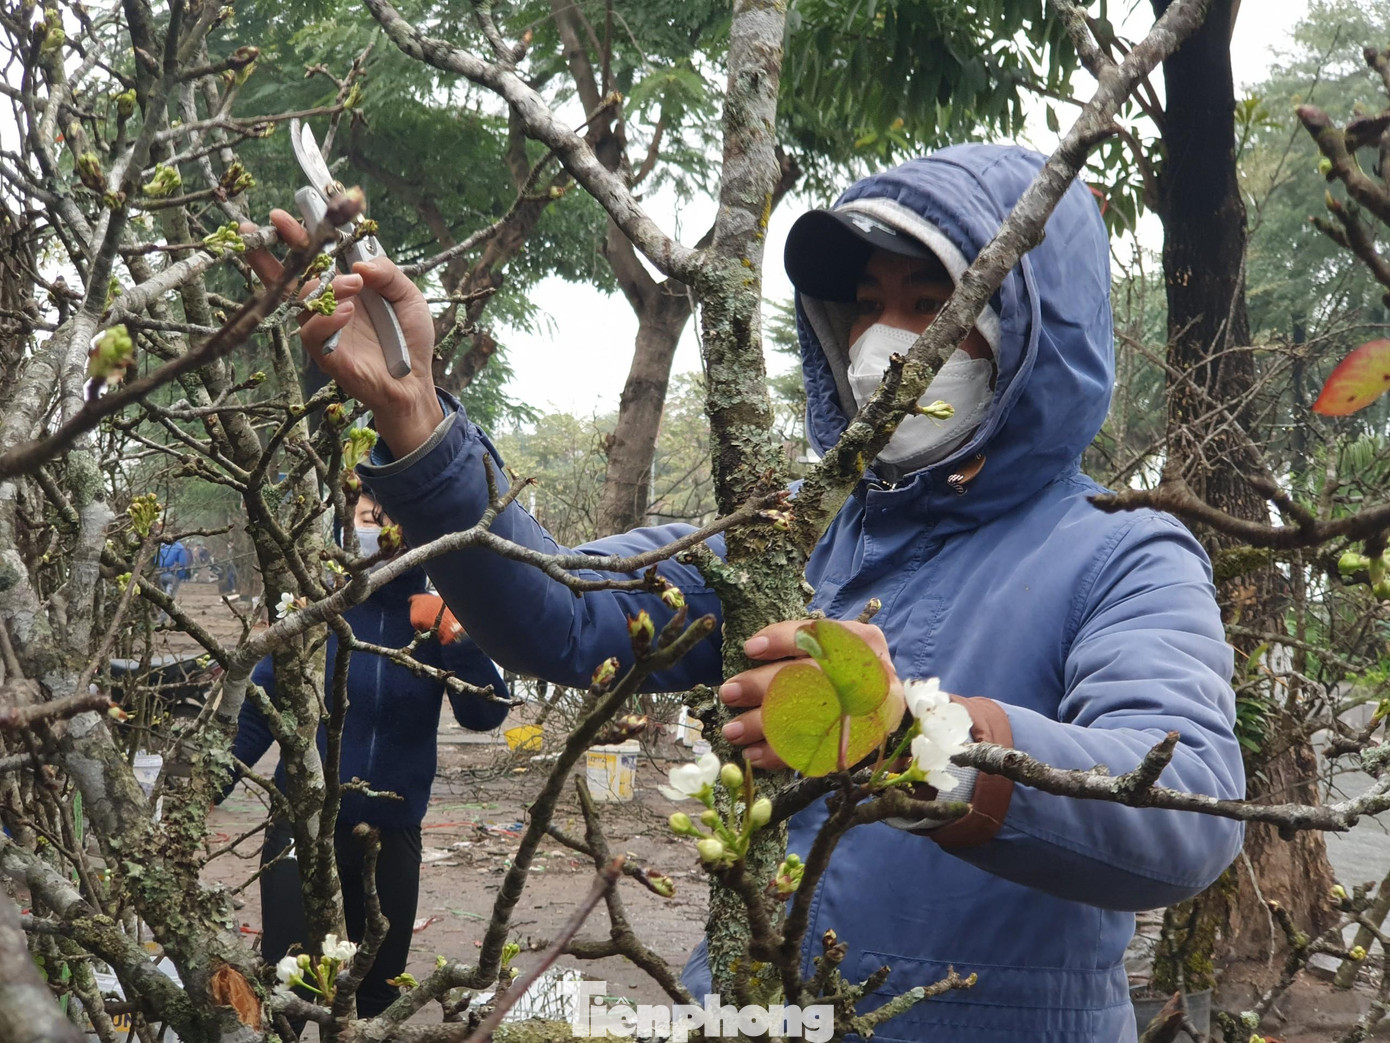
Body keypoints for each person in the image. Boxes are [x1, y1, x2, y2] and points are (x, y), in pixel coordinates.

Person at [244, 144, 1245, 1042]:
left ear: (1029, 324)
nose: (884, 339)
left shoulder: (1121, 551)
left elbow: (1188, 809)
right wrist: (420, 427)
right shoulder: (790, 533)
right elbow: (568, 611)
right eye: (867, 301)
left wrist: (917, 746)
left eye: (931, 304)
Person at [222, 491, 511, 1017]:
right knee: (288, 985)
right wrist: (194, 796)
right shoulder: (317, 613)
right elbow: (254, 716)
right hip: (303, 826)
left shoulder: (435, 617)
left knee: (376, 991)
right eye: (368, 518)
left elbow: (485, 715)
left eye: (396, 518)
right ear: (345, 529)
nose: (382, 529)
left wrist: (456, 636)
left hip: (392, 832)